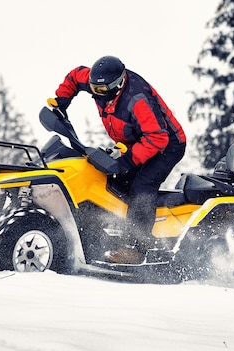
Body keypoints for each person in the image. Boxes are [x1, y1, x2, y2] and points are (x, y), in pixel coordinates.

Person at [48, 55, 186, 264]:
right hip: (139, 140)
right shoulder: (97, 82)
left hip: (168, 145)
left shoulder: (137, 99)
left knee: (141, 187)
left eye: (103, 91)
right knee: (110, 180)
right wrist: (61, 101)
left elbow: (158, 137)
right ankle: (99, 235)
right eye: (94, 89)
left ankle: (136, 248)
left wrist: (128, 161)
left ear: (118, 84)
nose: (98, 95)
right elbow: (76, 76)